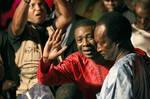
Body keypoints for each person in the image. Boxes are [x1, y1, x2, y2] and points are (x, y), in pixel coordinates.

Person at [7, 0, 72, 97]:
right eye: (32, 6)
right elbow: (17, 25)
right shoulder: (19, 33)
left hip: (55, 86)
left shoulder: (52, 27)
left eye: (41, 4)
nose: (38, 8)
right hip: (29, 91)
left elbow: (67, 17)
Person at [37, 19, 110, 99]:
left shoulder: (112, 55)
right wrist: (46, 60)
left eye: (90, 38)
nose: (85, 43)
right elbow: (46, 80)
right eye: (79, 40)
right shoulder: (75, 61)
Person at [95, 12, 150, 99]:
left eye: (102, 42)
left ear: (117, 39)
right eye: (97, 43)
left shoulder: (120, 70)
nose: (98, 49)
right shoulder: (141, 60)